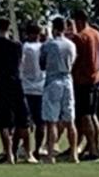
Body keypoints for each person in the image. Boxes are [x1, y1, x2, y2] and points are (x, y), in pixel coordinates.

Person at [0, 18, 34, 164]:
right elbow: (20, 63)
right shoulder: (17, 45)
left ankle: (9, 154)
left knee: (4, 121)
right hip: (15, 82)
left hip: (0, 83)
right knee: (23, 118)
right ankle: (28, 152)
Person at [40, 17, 78, 164]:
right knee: (70, 120)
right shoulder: (71, 45)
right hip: (68, 80)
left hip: (53, 80)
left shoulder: (49, 45)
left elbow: (42, 64)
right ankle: (74, 154)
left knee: (52, 121)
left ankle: (50, 155)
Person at [70, 9, 99, 161]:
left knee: (85, 116)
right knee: (93, 114)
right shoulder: (96, 33)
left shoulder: (80, 37)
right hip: (95, 78)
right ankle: (95, 147)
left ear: (79, 21)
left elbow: (75, 59)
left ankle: (92, 149)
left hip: (83, 79)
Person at [20, 21, 46, 159]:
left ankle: (26, 148)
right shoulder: (44, 47)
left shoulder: (24, 47)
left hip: (26, 87)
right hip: (41, 87)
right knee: (40, 122)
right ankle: (37, 148)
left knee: (25, 122)